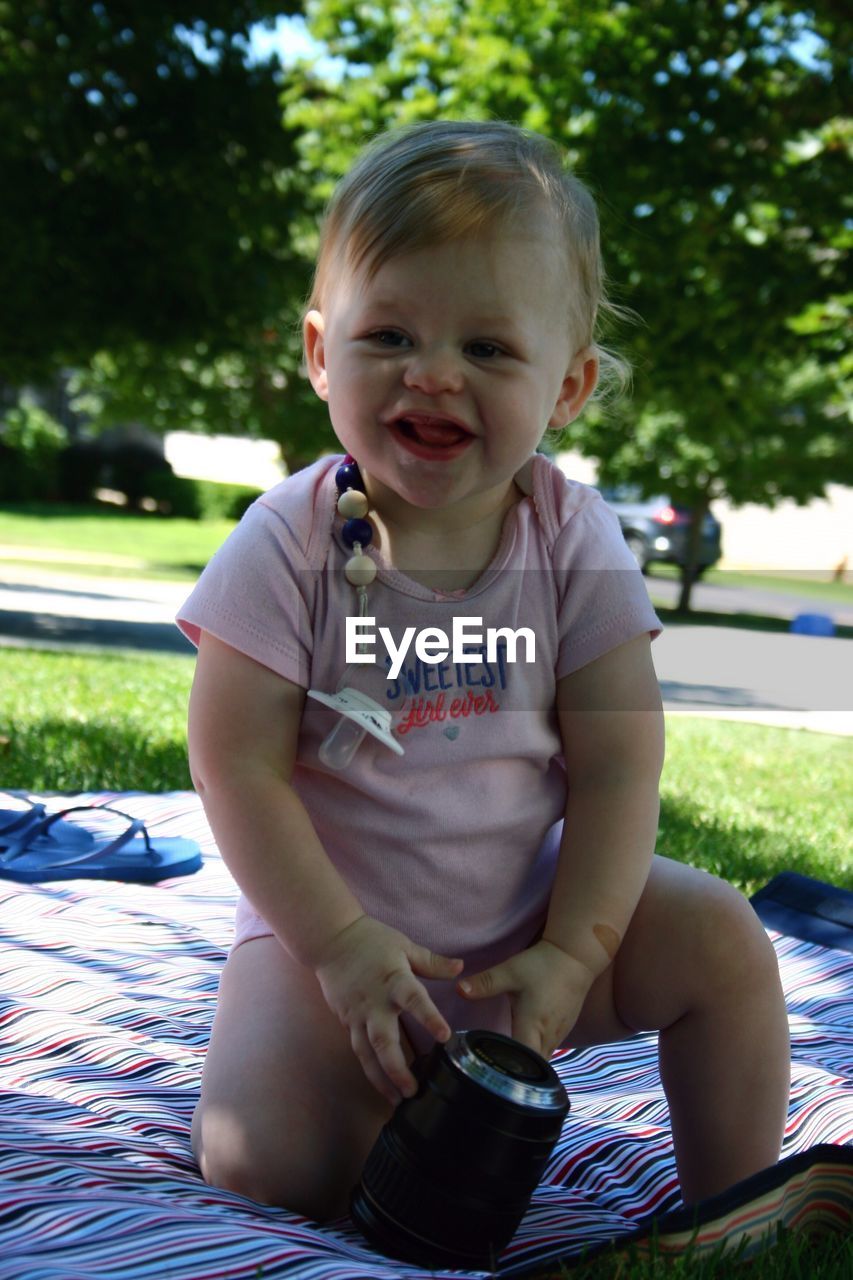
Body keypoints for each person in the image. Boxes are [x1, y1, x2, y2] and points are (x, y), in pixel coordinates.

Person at [178, 119, 790, 1222]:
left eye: (489, 349)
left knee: (724, 941)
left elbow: (616, 772)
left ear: (568, 385)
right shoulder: (290, 539)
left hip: (530, 929)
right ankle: (390, 1104)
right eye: (390, 335)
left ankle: (733, 1210)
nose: (433, 373)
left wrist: (574, 948)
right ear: (322, 352)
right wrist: (339, 947)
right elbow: (236, 765)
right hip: (335, 935)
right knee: (263, 1159)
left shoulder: (572, 539)